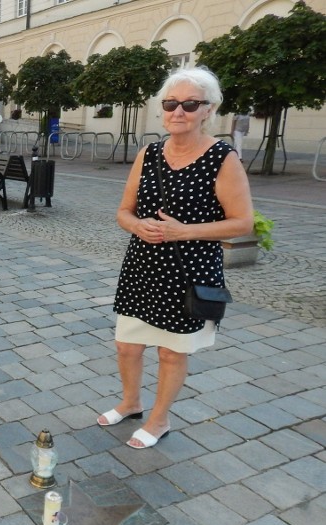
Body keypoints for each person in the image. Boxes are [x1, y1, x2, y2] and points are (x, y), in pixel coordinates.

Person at [99, 67, 253, 449]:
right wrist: (136, 226)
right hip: (142, 267)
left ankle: (159, 419)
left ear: (208, 110)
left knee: (171, 352)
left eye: (189, 104)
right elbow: (123, 211)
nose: (178, 111)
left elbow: (242, 221)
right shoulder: (148, 154)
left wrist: (185, 230)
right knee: (127, 345)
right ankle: (131, 402)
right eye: (171, 103)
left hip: (189, 272)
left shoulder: (222, 158)